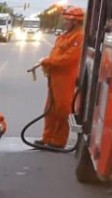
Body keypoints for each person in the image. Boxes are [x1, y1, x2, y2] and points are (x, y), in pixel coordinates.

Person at [33, 5, 84, 150]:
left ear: (75, 22)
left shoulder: (79, 37)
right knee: (50, 109)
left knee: (62, 110)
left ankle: (59, 141)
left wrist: (48, 61)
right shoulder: (64, 36)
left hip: (65, 79)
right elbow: (56, 54)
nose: (65, 22)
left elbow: (68, 58)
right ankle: (47, 137)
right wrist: (47, 63)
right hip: (55, 77)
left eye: (67, 20)